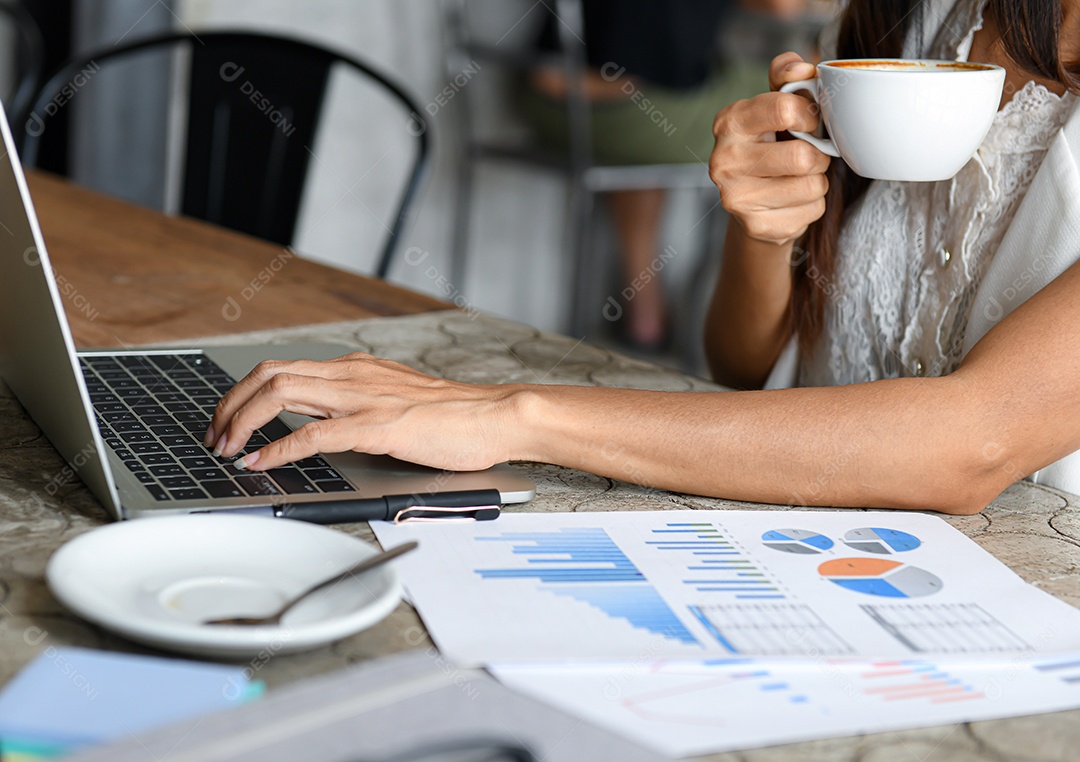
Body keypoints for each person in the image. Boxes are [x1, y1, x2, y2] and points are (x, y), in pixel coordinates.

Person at [206, 0, 1080, 517]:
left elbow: (975, 441)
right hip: (822, 555)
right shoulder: (916, 18)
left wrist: (518, 416)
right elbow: (747, 365)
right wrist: (766, 229)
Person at [520, 0, 806, 349]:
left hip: (547, 93)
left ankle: (646, 317)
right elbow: (784, 7)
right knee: (808, 89)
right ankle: (769, 331)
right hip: (624, 107)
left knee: (658, 92)